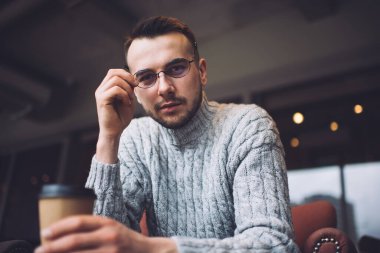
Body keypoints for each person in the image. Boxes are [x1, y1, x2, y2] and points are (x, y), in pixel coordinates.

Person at [35, 16, 300, 253]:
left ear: (202, 72)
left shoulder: (248, 125)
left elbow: (273, 244)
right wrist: (108, 137)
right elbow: (102, 242)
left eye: (176, 68)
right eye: (147, 77)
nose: (164, 88)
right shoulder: (136, 138)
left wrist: (155, 249)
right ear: (135, 90)